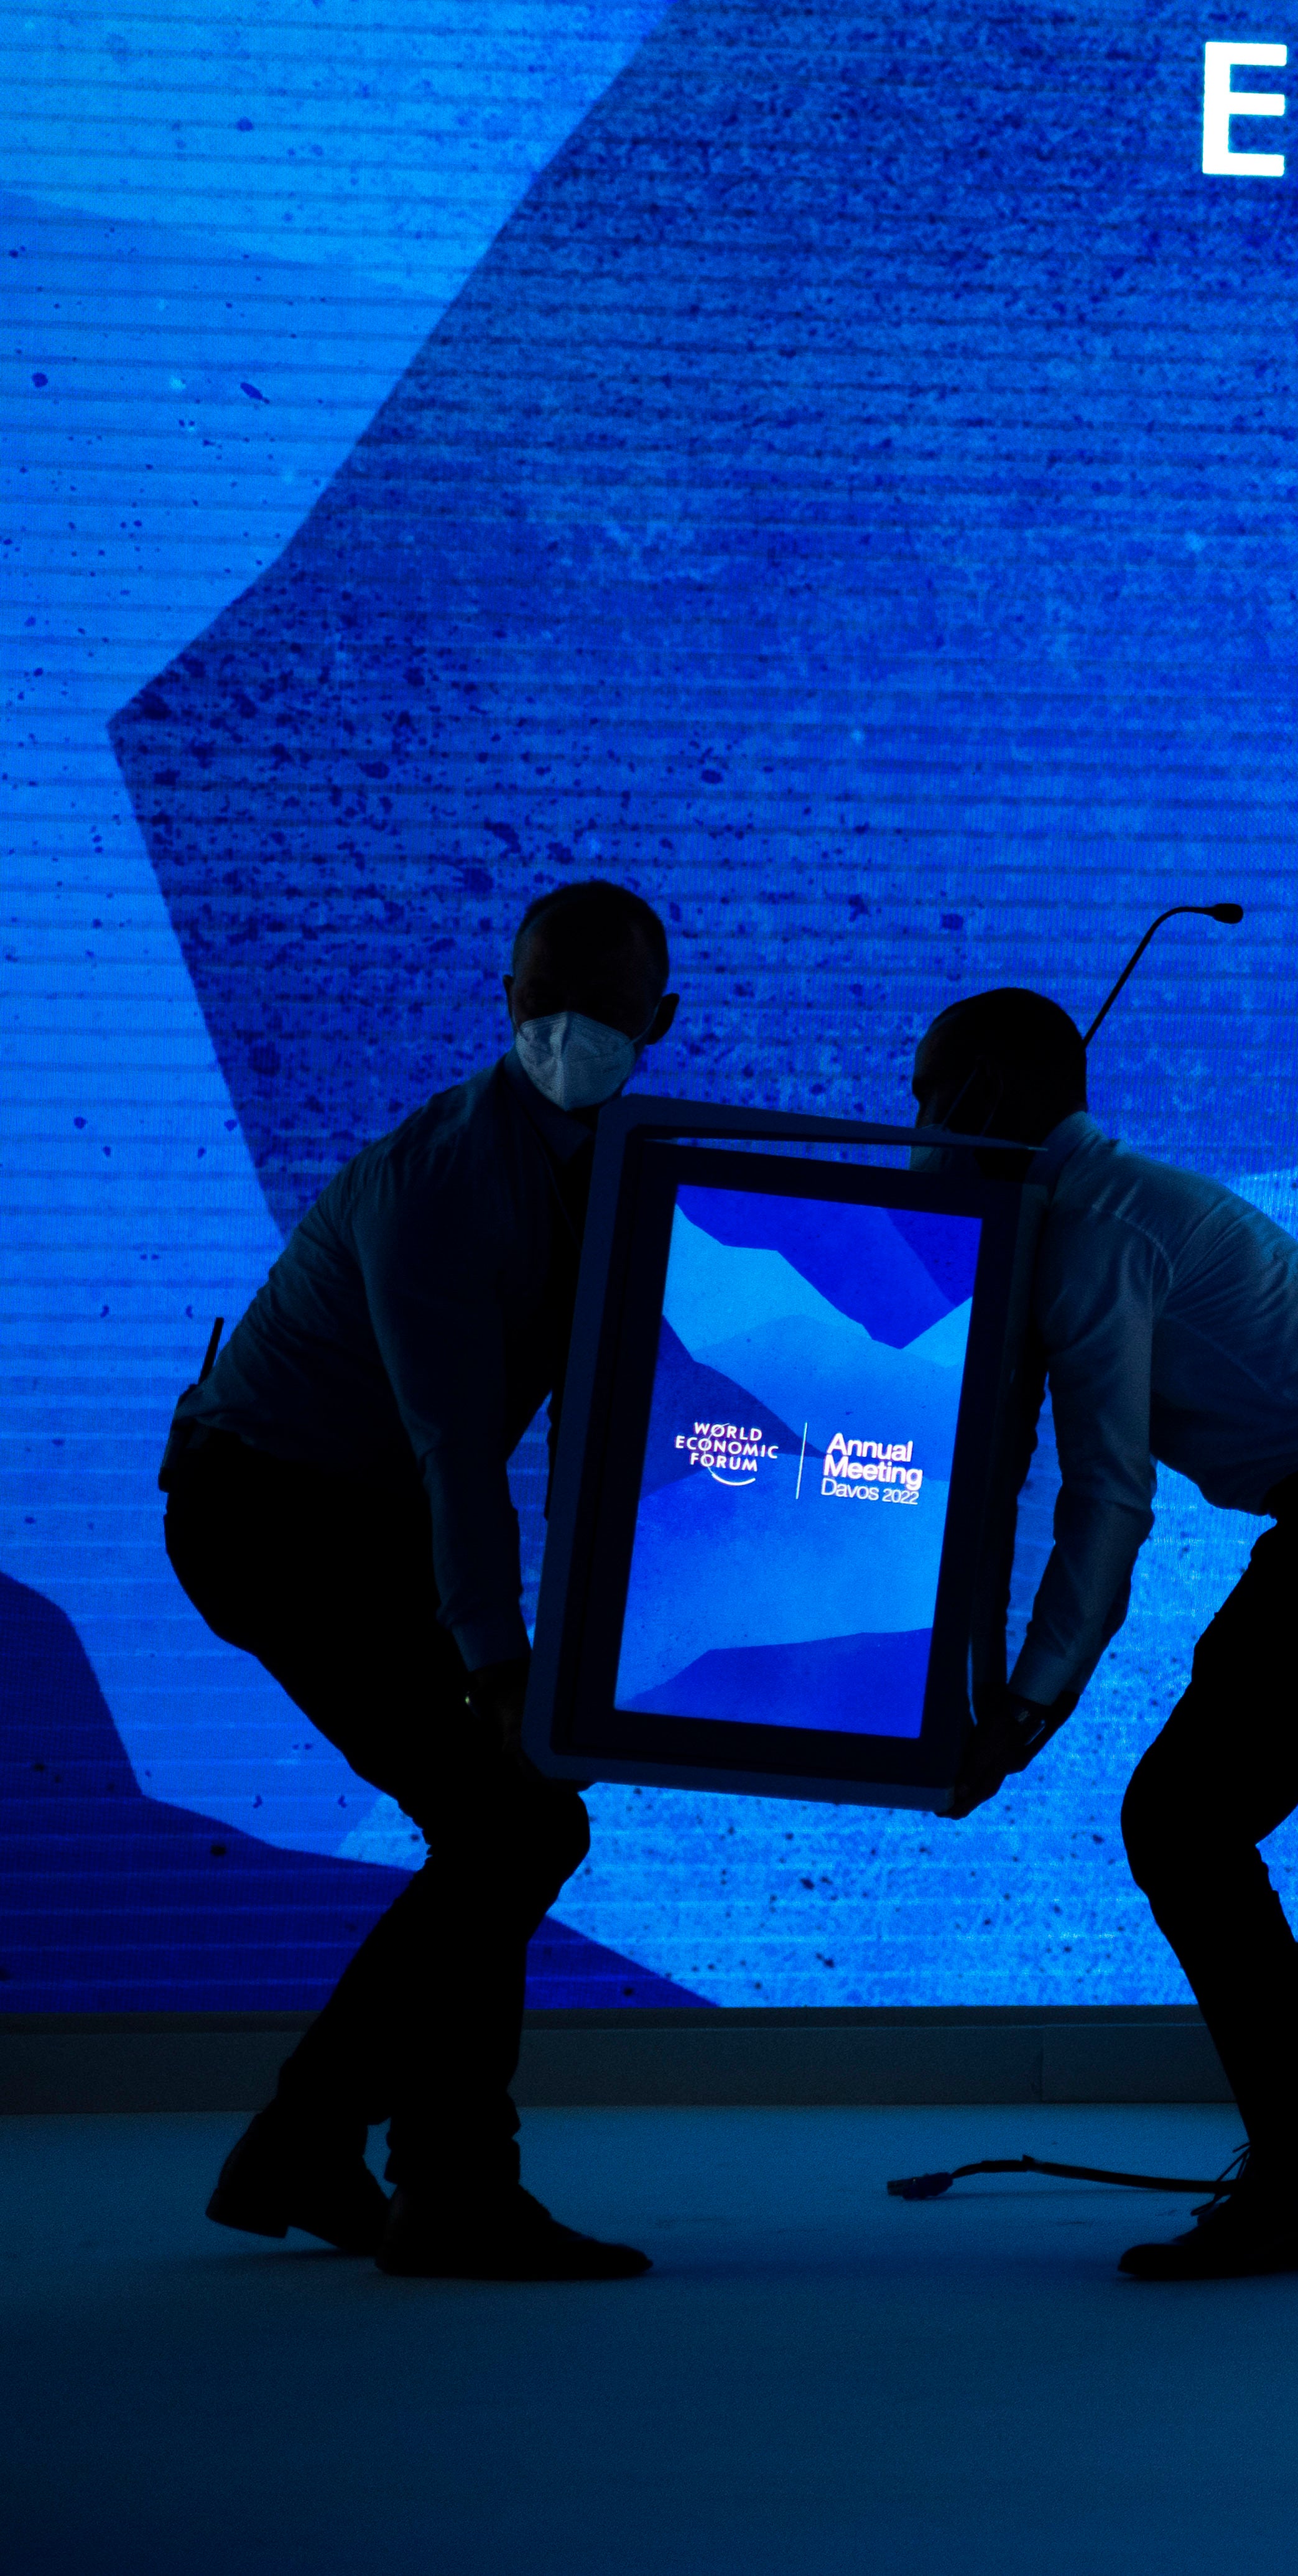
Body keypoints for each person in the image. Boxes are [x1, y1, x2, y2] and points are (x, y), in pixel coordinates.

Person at [914, 987, 1298, 2281]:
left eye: (925, 1089)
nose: (913, 1124)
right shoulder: (1090, 1216)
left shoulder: (1095, 1234)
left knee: (1181, 1823)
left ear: (990, 1096)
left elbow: (1108, 1498)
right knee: (1187, 1822)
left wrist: (1023, 1709)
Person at [162, 879, 674, 2281]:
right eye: (542, 998)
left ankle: (325, 2145)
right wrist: (505, 1675)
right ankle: (439, 2183)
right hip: (269, 1512)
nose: (569, 1026)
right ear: (504, 1001)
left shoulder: (617, 1169)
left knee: (509, 1831)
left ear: (661, 1022)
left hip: (367, 1521)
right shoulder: (446, 1179)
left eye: (604, 1007)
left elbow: (598, 1419)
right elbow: (460, 1454)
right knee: (512, 1829)